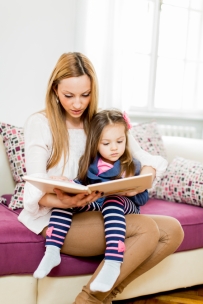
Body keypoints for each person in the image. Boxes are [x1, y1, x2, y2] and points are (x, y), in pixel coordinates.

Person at [18, 52, 184, 304]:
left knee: (173, 230)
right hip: (58, 216)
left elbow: (148, 160)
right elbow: (34, 191)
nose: (77, 104)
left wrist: (138, 180)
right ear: (54, 90)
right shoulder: (40, 123)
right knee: (147, 228)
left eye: (85, 95)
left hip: (97, 208)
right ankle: (88, 300)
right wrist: (67, 201)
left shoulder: (98, 123)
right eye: (68, 95)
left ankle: (105, 295)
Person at [33, 109, 149, 293]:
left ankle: (113, 261)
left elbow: (143, 198)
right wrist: (70, 186)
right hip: (98, 203)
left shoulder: (132, 164)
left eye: (120, 142)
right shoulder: (90, 164)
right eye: (106, 143)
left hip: (126, 205)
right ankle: (52, 251)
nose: (114, 148)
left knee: (112, 200)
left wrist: (131, 191)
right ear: (95, 143)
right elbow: (83, 184)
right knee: (67, 202)